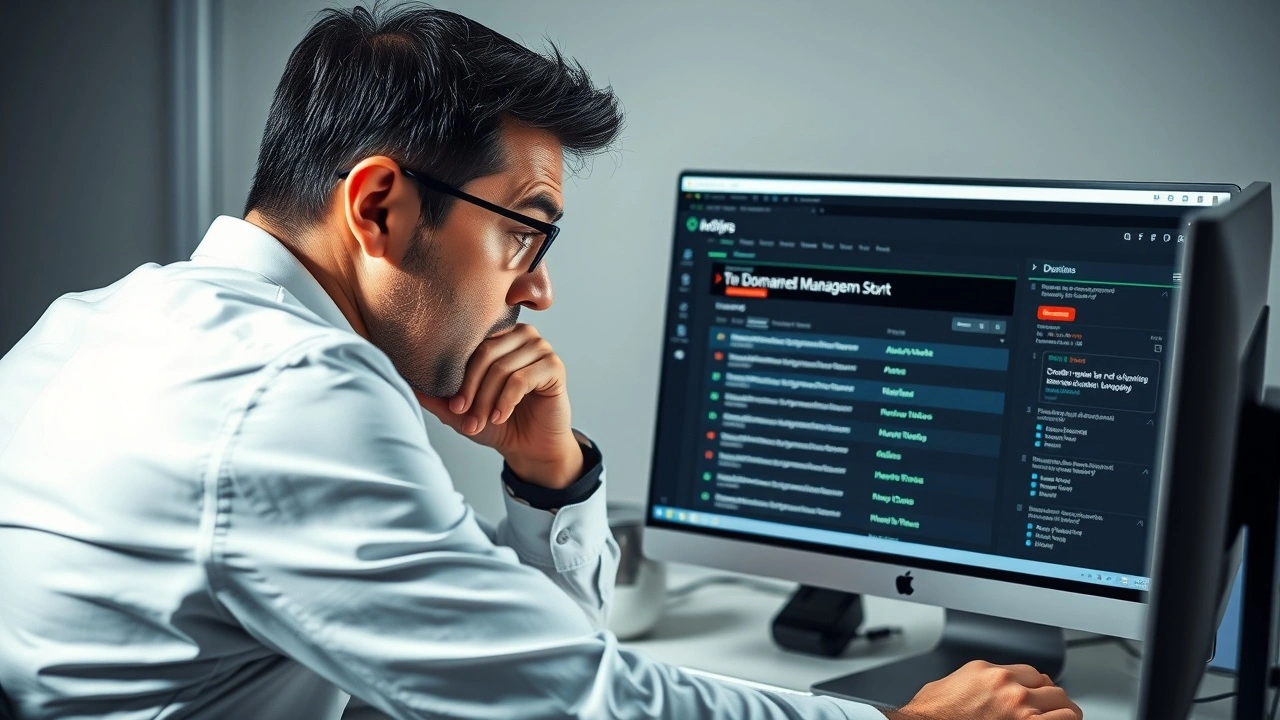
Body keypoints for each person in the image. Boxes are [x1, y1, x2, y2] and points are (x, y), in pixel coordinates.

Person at [0, 4, 1082, 719]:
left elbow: (503, 647)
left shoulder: (93, 324)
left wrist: (547, 479)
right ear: (379, 205)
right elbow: (575, 702)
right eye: (524, 228)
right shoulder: (291, 393)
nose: (536, 288)